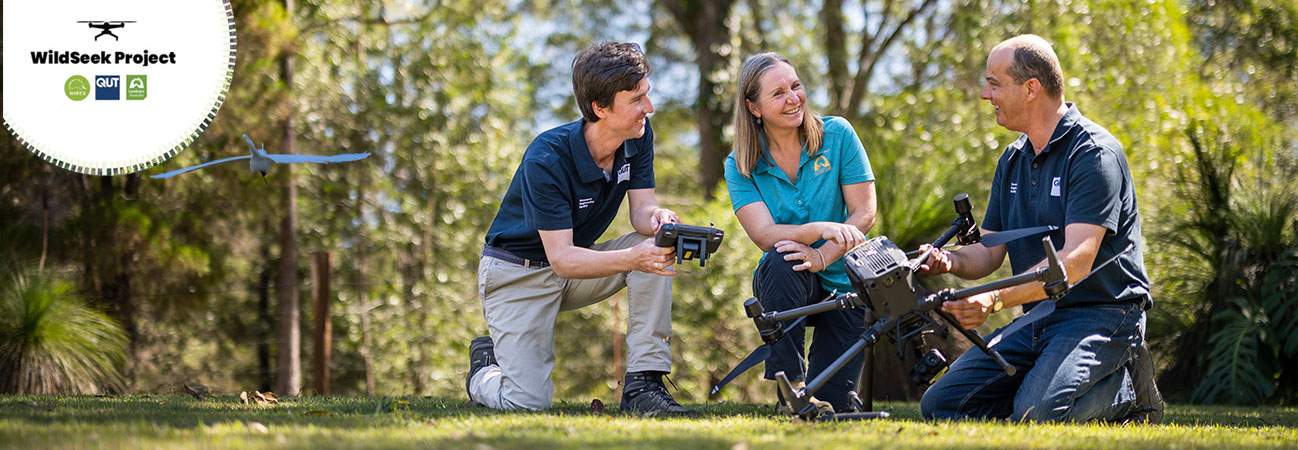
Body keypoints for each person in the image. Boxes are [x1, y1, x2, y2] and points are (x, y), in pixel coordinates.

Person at [917, 35, 1163, 423]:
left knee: (1038, 414)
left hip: (1102, 313)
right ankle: (1041, 391)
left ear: (1031, 88)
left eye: (994, 83)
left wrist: (995, 301)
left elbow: (1077, 261)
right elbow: (989, 252)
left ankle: (1129, 387)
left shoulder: (1094, 154)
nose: (985, 94)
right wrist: (947, 261)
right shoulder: (1012, 159)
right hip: (1039, 316)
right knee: (940, 406)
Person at [466, 42, 695, 417]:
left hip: (575, 264)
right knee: (526, 403)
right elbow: (563, 260)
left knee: (654, 247)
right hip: (516, 275)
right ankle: (483, 371)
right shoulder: (546, 158)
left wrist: (658, 216)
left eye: (646, 95)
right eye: (636, 99)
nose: (648, 109)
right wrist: (633, 258)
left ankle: (643, 385)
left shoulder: (638, 136)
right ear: (599, 108)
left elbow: (641, 211)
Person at [724, 52, 877, 413]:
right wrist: (817, 230)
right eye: (777, 93)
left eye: (795, 86)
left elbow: (864, 212)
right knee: (780, 257)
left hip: (846, 278)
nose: (793, 98)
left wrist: (823, 255)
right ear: (753, 107)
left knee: (833, 405)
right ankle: (790, 386)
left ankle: (821, 393)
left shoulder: (837, 134)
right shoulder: (740, 165)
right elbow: (763, 234)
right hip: (790, 283)